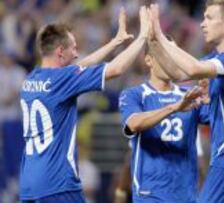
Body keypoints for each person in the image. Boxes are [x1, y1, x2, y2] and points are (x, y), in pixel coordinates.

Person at [19, 7, 150, 203]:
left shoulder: (31, 78)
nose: (77, 53)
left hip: (29, 184)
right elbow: (116, 69)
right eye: (73, 48)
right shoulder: (62, 80)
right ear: (60, 52)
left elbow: (79, 69)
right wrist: (143, 36)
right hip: (57, 184)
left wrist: (114, 42)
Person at [148, 1, 224, 202]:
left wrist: (160, 35)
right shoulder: (221, 58)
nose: (202, 24)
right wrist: (156, 44)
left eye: (209, 17)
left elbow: (192, 69)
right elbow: (179, 73)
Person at [118, 38, 209, 202]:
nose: (170, 59)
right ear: (148, 60)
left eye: (172, 54)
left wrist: (212, 98)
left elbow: (216, 120)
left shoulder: (190, 95)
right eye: (164, 54)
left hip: (186, 195)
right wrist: (174, 107)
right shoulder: (135, 94)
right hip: (151, 194)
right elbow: (133, 123)